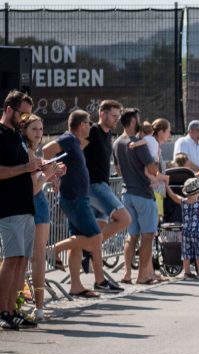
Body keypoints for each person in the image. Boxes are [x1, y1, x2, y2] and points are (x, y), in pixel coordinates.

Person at [44, 109, 122, 297]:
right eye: (88, 122)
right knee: (95, 236)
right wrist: (52, 175)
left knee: (78, 242)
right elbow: (47, 150)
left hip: (77, 197)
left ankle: (76, 286)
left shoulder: (75, 143)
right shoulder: (69, 139)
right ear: (81, 125)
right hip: (75, 198)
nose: (91, 125)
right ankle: (53, 250)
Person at [0, 90, 42, 329]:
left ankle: (13, 308)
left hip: (25, 205)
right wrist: (26, 167)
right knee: (11, 258)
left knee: (20, 260)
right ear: (8, 110)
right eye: (22, 114)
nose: (25, 119)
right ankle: (3, 310)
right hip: (8, 206)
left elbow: (26, 168)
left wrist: (45, 170)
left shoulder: (16, 135)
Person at [21, 113, 64, 321]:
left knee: (35, 258)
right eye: (34, 129)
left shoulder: (32, 152)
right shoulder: (27, 152)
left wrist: (50, 173)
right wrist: (48, 174)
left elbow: (37, 181)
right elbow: (34, 188)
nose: (38, 133)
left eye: (40, 129)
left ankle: (37, 306)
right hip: (31, 206)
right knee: (24, 258)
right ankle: (24, 304)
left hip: (36, 206)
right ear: (24, 130)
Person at [113, 108, 161, 285]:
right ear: (133, 121)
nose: (140, 121)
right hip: (143, 194)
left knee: (131, 235)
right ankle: (142, 276)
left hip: (127, 194)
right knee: (147, 235)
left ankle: (127, 274)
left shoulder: (117, 142)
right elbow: (153, 169)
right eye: (138, 119)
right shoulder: (138, 143)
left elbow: (118, 169)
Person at [83, 99, 131, 273]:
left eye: (118, 116)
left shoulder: (108, 134)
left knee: (99, 231)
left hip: (103, 184)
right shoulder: (92, 131)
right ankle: (86, 247)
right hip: (93, 186)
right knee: (124, 219)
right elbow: (75, 149)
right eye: (113, 116)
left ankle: (99, 277)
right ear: (102, 114)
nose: (116, 120)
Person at [165, 177, 199, 279]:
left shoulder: (183, 202)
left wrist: (166, 185)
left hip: (186, 230)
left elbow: (172, 195)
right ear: (197, 192)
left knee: (186, 253)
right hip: (197, 231)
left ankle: (187, 273)